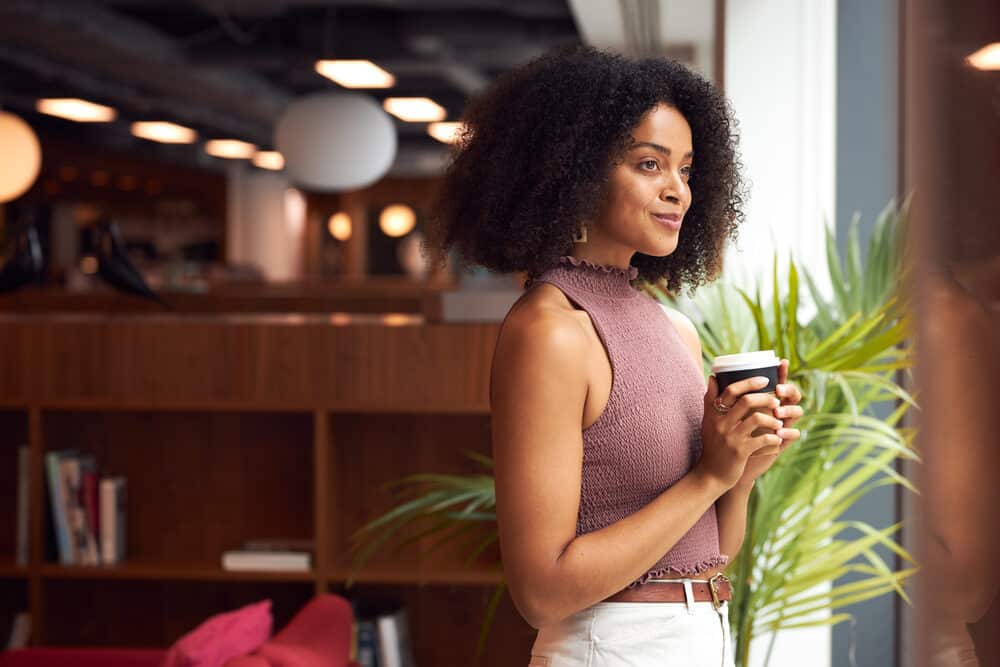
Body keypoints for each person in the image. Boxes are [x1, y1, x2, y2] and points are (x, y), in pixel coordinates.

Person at [424, 46, 804, 666]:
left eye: (686, 169)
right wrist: (709, 476)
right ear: (571, 172)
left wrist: (742, 469)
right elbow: (542, 592)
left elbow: (708, 556)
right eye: (648, 164)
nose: (676, 189)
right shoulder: (550, 330)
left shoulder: (675, 328)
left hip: (700, 636)